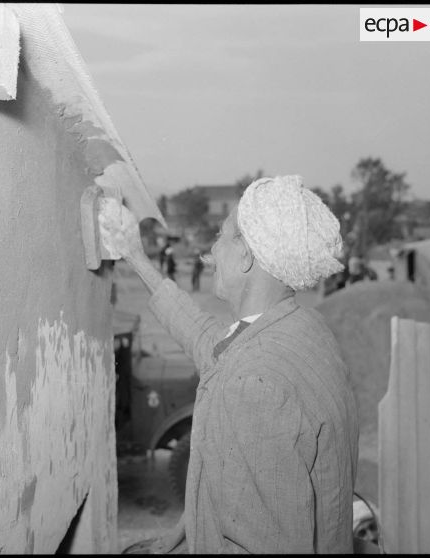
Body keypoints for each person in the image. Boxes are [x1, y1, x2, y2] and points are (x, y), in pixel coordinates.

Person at [100, 175, 359, 554]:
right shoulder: (301, 330)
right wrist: (136, 257)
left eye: (222, 236)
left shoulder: (252, 383)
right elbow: (209, 340)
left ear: (246, 255)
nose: (210, 251)